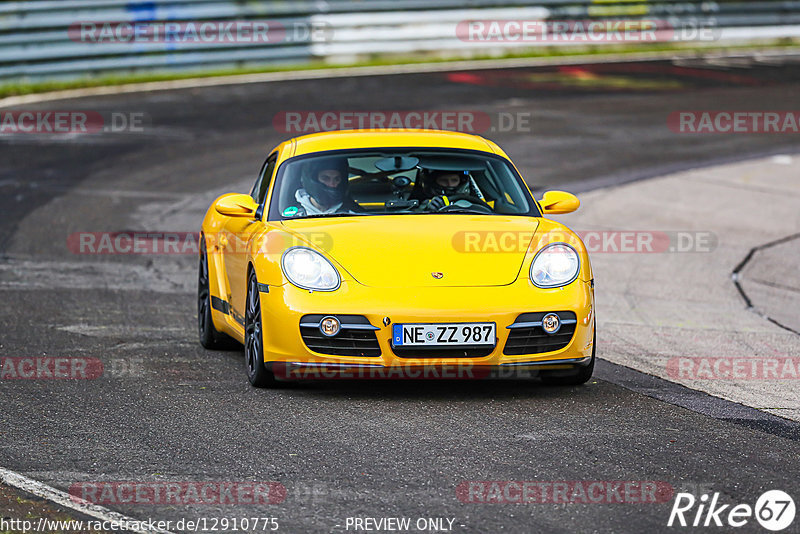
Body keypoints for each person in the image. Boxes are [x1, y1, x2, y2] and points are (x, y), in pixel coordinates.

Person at [288, 157, 357, 216]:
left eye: (337, 179)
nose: (332, 184)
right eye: (325, 178)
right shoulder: (292, 215)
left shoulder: (353, 213)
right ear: (313, 180)